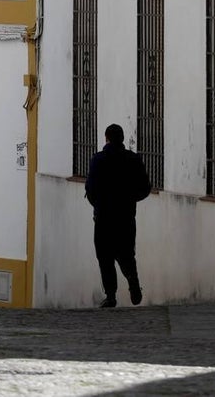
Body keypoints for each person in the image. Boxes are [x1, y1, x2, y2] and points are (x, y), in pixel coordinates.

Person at [84, 123, 151, 308]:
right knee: (126, 253)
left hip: (104, 216)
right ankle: (132, 279)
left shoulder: (98, 160)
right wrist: (131, 199)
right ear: (122, 139)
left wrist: (97, 204)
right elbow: (145, 187)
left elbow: (90, 188)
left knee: (105, 256)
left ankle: (111, 295)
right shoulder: (133, 159)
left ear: (106, 138)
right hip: (126, 216)